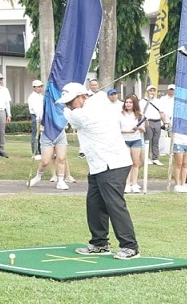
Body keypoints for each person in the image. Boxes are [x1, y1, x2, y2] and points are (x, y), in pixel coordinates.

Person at [57, 82, 140, 259]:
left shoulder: (86, 112)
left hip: (113, 163)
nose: (68, 106)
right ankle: (99, 243)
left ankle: (130, 247)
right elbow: (95, 100)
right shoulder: (94, 103)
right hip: (98, 165)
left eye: (70, 102)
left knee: (114, 205)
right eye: (66, 103)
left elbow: (73, 117)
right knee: (94, 204)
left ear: (82, 97)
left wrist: (83, 101)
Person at [119, 94, 145, 193]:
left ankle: (134, 183)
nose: (128, 104)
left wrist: (138, 128)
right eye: (127, 102)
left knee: (135, 163)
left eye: (130, 102)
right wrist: (128, 131)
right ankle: (127, 184)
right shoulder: (120, 114)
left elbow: (143, 129)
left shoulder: (139, 115)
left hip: (136, 140)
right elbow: (117, 129)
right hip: (124, 141)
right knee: (127, 163)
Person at [141, 85, 165, 165]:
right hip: (148, 121)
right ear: (147, 92)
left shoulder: (159, 101)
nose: (152, 92)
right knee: (148, 140)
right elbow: (141, 113)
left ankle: (155, 158)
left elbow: (162, 112)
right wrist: (144, 121)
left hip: (157, 122)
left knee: (156, 141)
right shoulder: (143, 101)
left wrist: (165, 122)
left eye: (153, 91)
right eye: (150, 91)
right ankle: (146, 157)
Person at [27, 79, 45, 160]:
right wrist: (39, 118)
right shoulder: (32, 97)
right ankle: (35, 152)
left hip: (42, 116)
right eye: (38, 87)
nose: (40, 88)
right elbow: (35, 109)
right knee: (35, 135)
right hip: (35, 116)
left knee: (41, 135)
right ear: (34, 87)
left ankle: (41, 152)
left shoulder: (41, 96)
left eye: (41, 87)